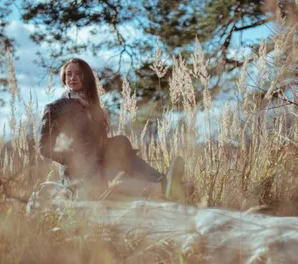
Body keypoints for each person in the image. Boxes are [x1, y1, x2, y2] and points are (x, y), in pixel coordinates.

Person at [39, 58, 192, 200]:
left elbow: (99, 142)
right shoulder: (54, 108)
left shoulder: (93, 106)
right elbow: (44, 147)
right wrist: (74, 159)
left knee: (120, 151)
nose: (73, 78)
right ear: (64, 78)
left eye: (78, 74)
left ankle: (165, 182)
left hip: (100, 163)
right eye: (69, 74)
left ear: (87, 77)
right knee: (112, 177)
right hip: (78, 172)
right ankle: (165, 188)